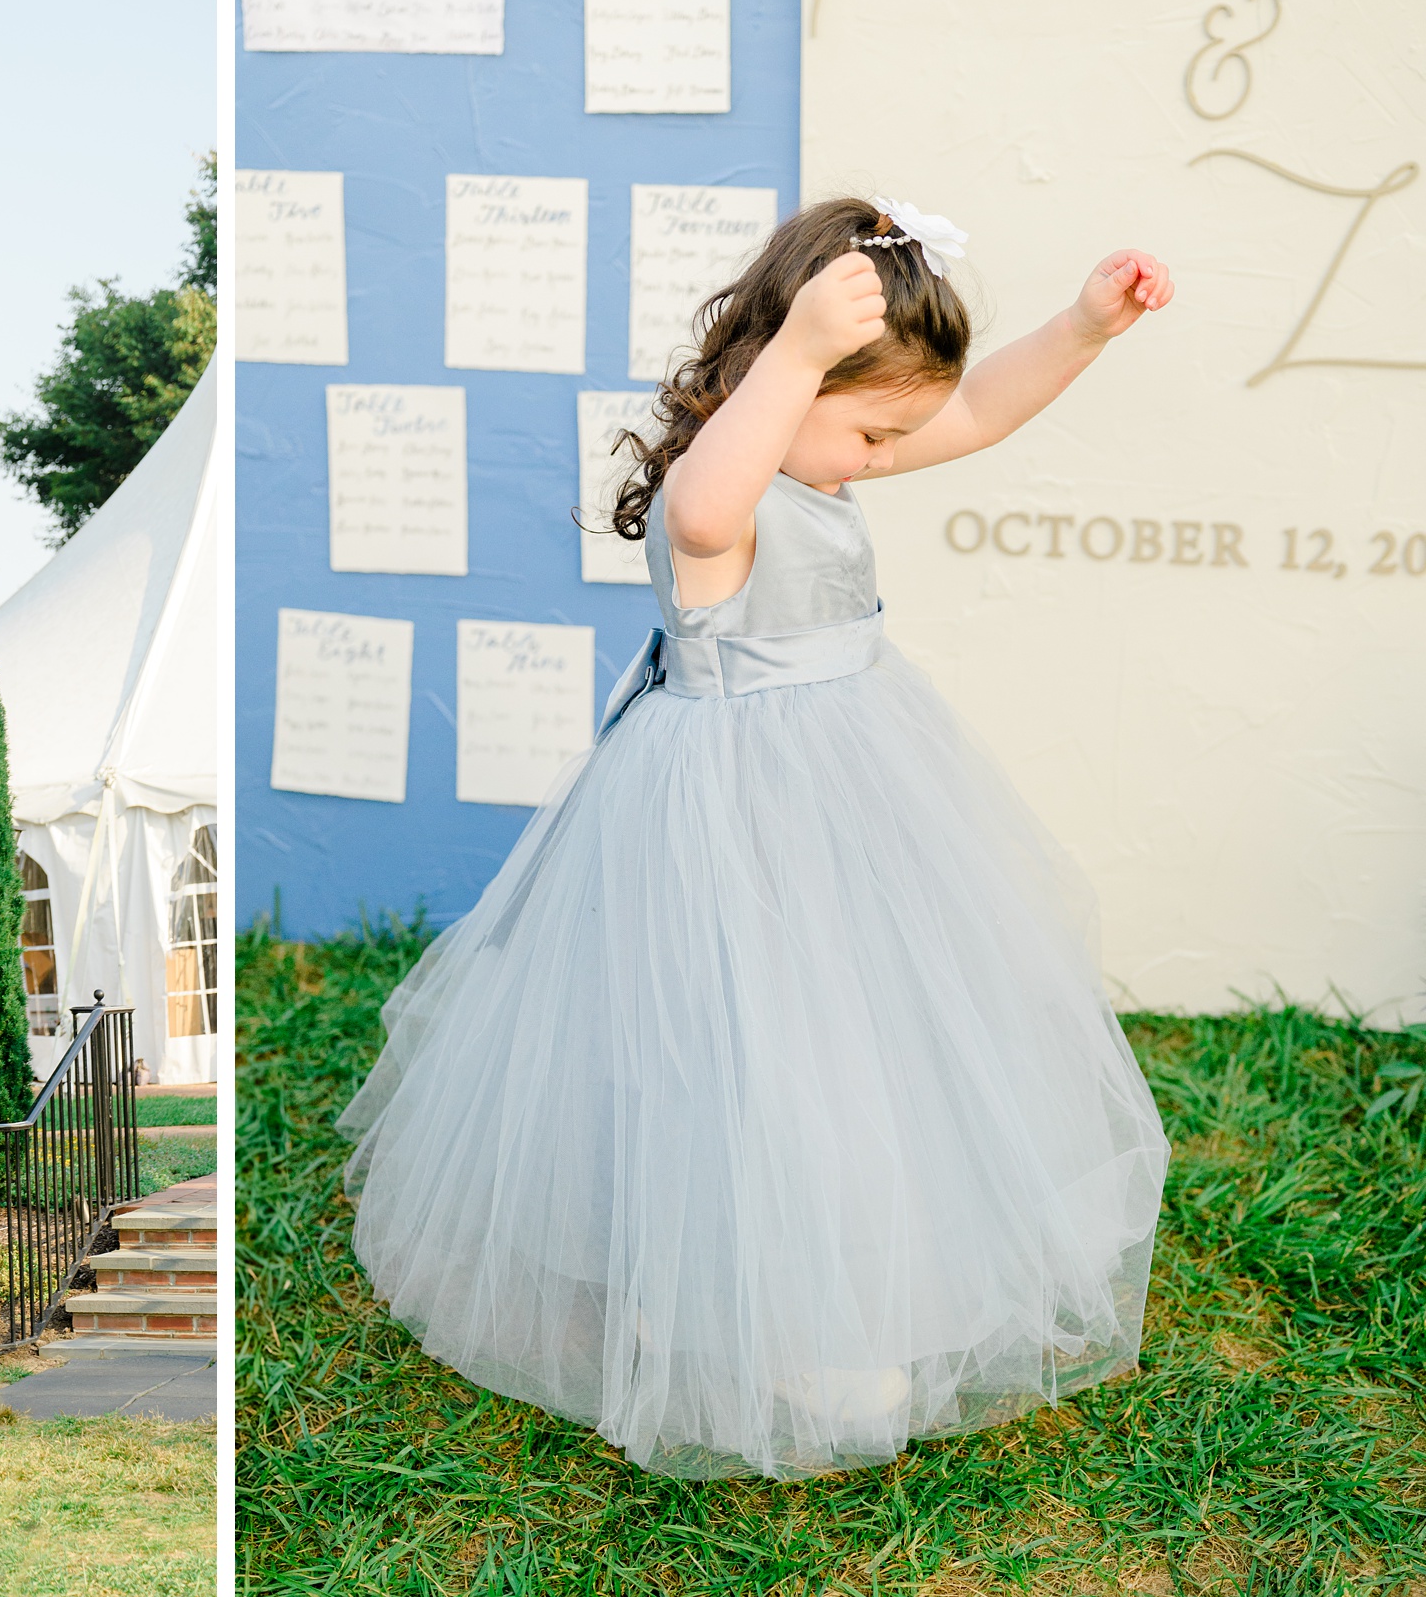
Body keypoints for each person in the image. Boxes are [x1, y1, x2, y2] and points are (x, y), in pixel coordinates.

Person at [336, 195, 1177, 1480]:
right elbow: (703, 518)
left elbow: (982, 408)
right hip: (731, 821)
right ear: (784, 377)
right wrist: (792, 358)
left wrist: (1084, 325)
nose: (887, 457)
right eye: (871, 428)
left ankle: (852, 1282)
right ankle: (732, 1308)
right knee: (737, 1054)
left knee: (859, 1050)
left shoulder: (826, 455)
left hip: (853, 791)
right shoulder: (729, 483)